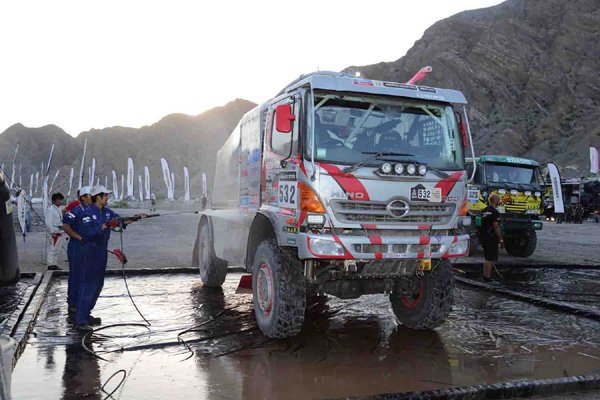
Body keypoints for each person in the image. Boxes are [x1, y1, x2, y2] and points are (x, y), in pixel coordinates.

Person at [75, 185, 139, 331]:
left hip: (101, 252)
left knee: (98, 285)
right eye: (106, 195)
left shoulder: (107, 212)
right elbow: (88, 233)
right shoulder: (87, 214)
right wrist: (106, 225)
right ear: (98, 196)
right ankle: (81, 319)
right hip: (89, 251)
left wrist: (134, 218)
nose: (108, 197)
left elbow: (119, 221)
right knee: (89, 284)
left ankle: (87, 313)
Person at [61, 186, 92, 318]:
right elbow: (65, 225)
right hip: (77, 247)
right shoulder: (77, 210)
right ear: (83, 197)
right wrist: (78, 237)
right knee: (76, 276)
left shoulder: (93, 211)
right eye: (91, 195)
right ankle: (72, 304)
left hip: (89, 247)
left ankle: (83, 307)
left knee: (86, 277)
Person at [479, 194, 504, 282]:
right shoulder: (495, 212)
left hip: (484, 237)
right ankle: (488, 278)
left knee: (487, 258)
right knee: (490, 259)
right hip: (491, 237)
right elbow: (496, 226)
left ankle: (485, 276)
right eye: (499, 199)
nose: (500, 201)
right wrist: (501, 239)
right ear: (495, 200)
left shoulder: (484, 211)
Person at [45, 192, 65, 271]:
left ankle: (54, 263)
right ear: (55, 200)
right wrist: (52, 232)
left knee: (57, 248)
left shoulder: (59, 209)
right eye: (59, 200)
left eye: (61, 200)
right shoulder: (50, 210)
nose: (60, 201)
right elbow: (49, 222)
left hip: (59, 230)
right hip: (54, 231)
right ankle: (50, 264)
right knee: (52, 248)